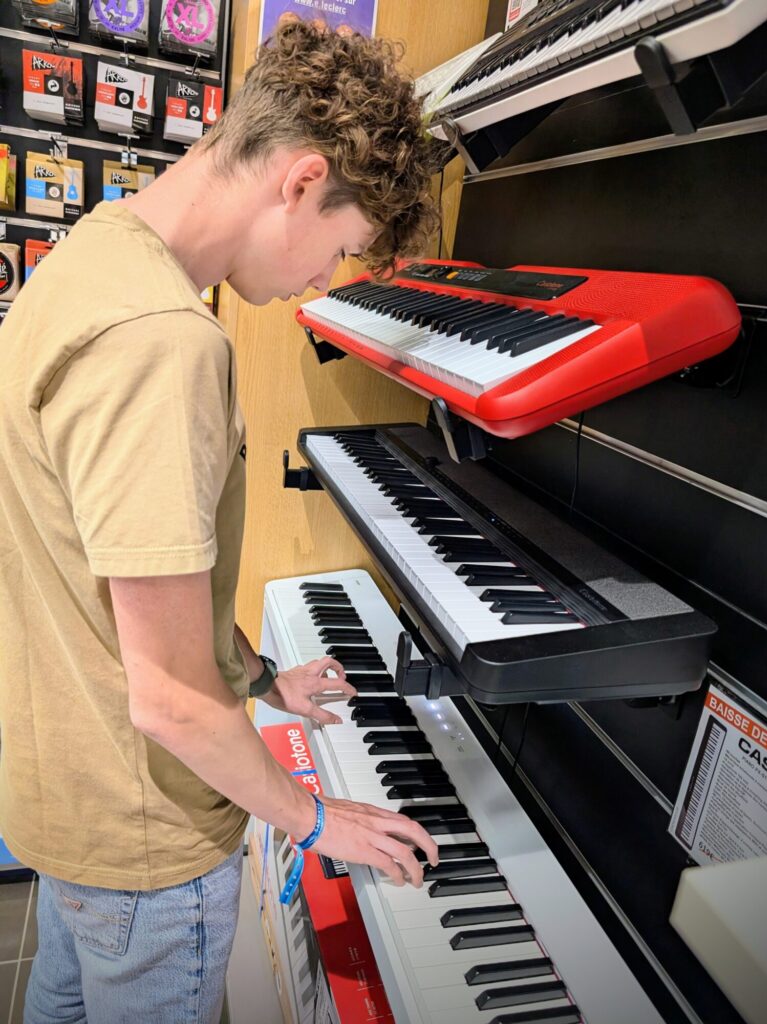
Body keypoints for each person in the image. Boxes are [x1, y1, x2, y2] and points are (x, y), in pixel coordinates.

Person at [0, 22, 441, 1024]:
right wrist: (315, 818)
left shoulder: (96, 253)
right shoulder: (164, 344)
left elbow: (122, 572)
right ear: (301, 181)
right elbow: (167, 701)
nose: (321, 281)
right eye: (339, 248)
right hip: (148, 841)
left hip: (67, 799)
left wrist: (260, 674)